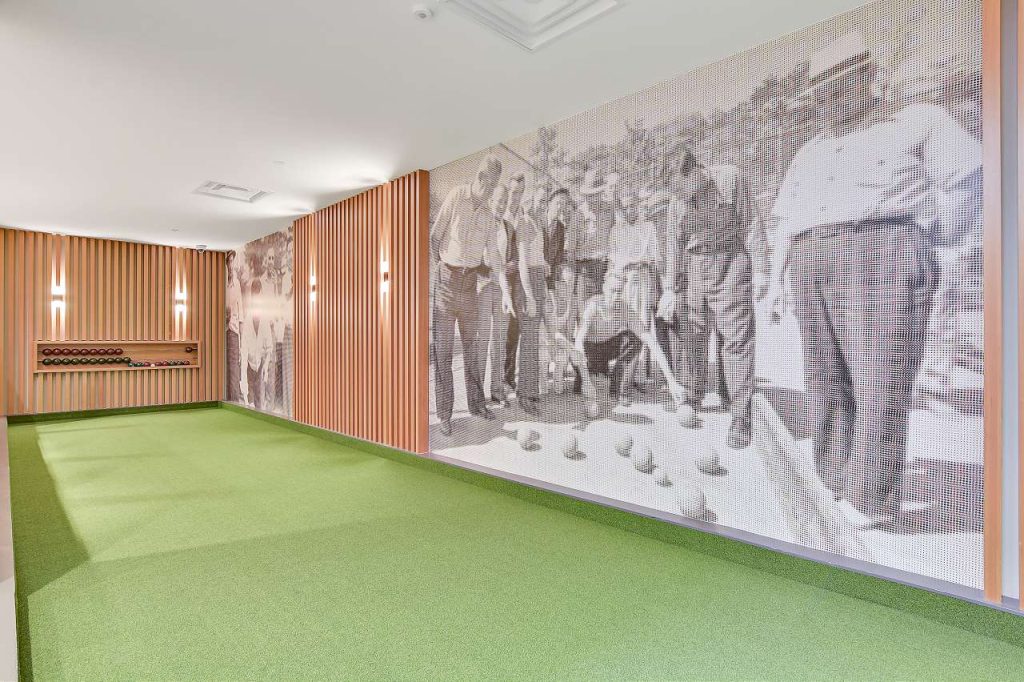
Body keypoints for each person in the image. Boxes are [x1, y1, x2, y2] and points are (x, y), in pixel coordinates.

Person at [765, 32, 982, 528]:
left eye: (839, 86)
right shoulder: (810, 149)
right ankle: (832, 481)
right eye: (821, 92)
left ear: (867, 78)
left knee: (880, 379)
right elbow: (785, 221)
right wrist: (776, 282)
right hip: (810, 261)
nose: (829, 99)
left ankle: (869, 499)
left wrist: (938, 242)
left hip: (882, 253)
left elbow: (972, 179)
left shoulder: (917, 122)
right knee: (824, 379)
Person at [659, 145, 756, 448]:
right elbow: (674, 245)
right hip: (695, 266)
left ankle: (740, 415)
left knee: (736, 339)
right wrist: (670, 289)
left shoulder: (730, 178)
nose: (678, 196)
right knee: (693, 334)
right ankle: (692, 393)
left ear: (695, 172)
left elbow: (752, 224)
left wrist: (764, 271)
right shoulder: (676, 203)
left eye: (679, 187)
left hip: (730, 261)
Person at [431, 155, 514, 436]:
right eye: (490, 184)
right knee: (443, 352)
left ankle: (477, 404)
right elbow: (435, 236)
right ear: (480, 178)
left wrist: (505, 292)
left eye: (495, 185)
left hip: (470, 286)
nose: (492, 192)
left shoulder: (489, 216)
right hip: (446, 281)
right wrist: (443, 270)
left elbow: (495, 256)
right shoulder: (456, 196)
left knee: (472, 348)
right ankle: (445, 414)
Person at [567, 272, 686, 411]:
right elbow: (579, 342)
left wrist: (672, 382)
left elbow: (651, 342)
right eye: (612, 290)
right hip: (589, 351)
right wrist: (586, 380)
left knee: (634, 339)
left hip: (607, 347)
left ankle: (619, 389)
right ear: (604, 287)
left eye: (619, 292)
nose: (615, 296)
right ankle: (589, 374)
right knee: (577, 361)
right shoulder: (593, 305)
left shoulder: (625, 309)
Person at [475, 183, 512, 406]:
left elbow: (512, 257)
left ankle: (497, 390)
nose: (501, 205)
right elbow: (471, 256)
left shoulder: (507, 226)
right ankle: (477, 394)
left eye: (504, 201)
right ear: (491, 200)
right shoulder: (479, 221)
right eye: (499, 200)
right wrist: (487, 271)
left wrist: (508, 267)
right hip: (482, 286)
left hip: (502, 288)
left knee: (499, 340)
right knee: (482, 341)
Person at [502, 174, 527, 395]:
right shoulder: (499, 213)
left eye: (519, 192)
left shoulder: (524, 216)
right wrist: (503, 266)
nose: (515, 196)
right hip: (500, 278)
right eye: (513, 192)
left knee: (514, 329)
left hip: (519, 279)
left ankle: (509, 376)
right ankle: (496, 379)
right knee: (500, 330)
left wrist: (518, 263)